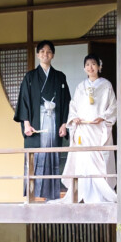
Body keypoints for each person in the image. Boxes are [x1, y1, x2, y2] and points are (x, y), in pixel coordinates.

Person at [13, 40, 71, 201]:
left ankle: (52, 193)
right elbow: (24, 101)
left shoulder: (60, 77)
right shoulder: (30, 77)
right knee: (36, 157)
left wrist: (64, 123)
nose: (45, 54)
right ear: (38, 54)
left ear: (53, 55)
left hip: (53, 122)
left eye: (49, 52)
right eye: (42, 51)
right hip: (36, 124)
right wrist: (26, 124)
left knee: (52, 154)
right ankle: (34, 194)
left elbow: (66, 101)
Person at [57, 53, 118, 203]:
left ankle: (100, 193)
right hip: (84, 128)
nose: (90, 67)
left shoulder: (106, 85)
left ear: (99, 67)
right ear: (84, 68)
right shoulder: (80, 86)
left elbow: (113, 106)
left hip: (99, 128)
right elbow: (73, 106)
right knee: (84, 159)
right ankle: (82, 191)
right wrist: (74, 118)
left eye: (93, 64)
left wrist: (103, 117)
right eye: (87, 65)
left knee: (99, 159)